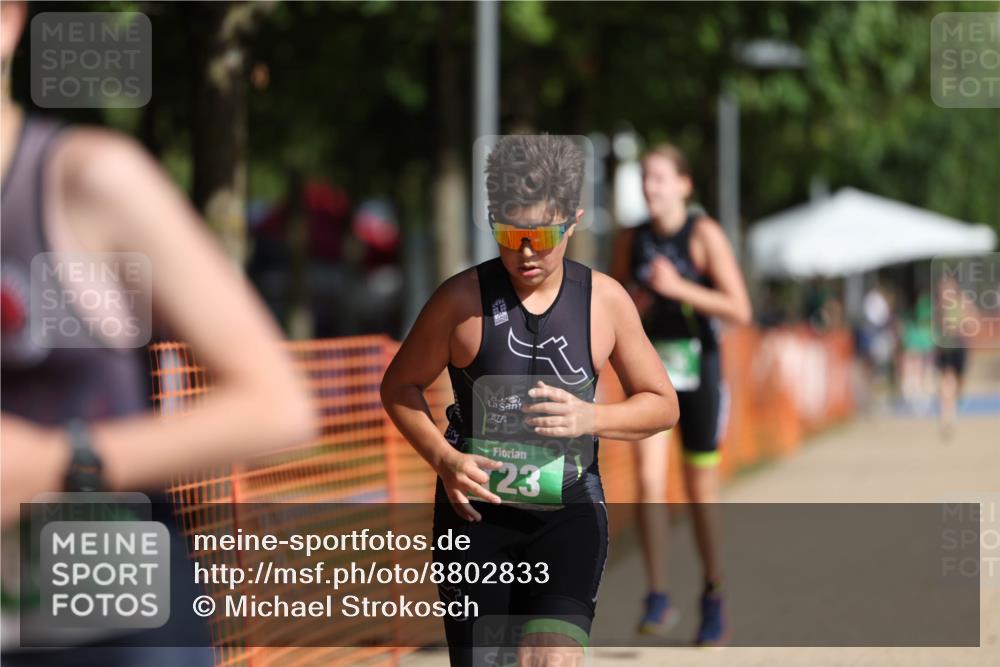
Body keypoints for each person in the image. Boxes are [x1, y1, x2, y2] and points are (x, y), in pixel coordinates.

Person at [1, 2, 316, 664]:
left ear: (7, 20)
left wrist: (65, 462)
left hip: (105, 627)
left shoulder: (85, 178)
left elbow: (277, 403)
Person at [381, 134, 678, 667]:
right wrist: (444, 459)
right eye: (509, 233)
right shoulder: (460, 301)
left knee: (551, 658)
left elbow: (662, 403)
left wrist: (593, 417)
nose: (524, 252)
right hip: (475, 520)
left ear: (573, 220)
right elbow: (399, 386)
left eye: (540, 234)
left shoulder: (605, 301)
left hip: (568, 513)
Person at [611, 143, 751, 646]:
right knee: (649, 481)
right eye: (647, 179)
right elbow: (617, 303)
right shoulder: (633, 238)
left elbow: (739, 308)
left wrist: (679, 287)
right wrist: (638, 300)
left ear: (685, 185)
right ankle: (657, 594)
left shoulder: (703, 234)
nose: (652, 188)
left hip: (701, 370)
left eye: (661, 179)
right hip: (653, 373)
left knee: (698, 494)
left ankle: (713, 593)